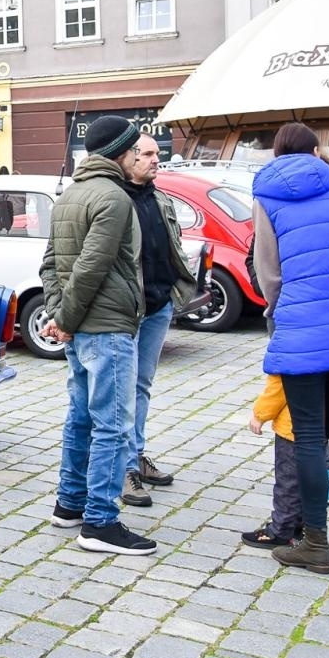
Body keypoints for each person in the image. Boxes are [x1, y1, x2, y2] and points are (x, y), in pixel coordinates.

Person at [251, 121, 329, 573]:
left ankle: (314, 543)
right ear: (316, 150)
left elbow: (267, 270)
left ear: (276, 153)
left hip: (303, 328)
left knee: (308, 434)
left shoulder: (266, 195)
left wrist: (279, 308)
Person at [38, 115, 155, 555]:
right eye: (137, 149)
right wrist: (63, 319)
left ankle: (69, 505)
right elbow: (91, 267)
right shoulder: (114, 197)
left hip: (82, 327)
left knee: (81, 416)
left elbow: (50, 264)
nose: (142, 157)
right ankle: (100, 522)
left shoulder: (70, 195)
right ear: (121, 153)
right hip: (105, 328)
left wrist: (58, 313)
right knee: (111, 425)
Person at [119, 134, 198, 507]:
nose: (156, 160)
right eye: (148, 154)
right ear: (129, 158)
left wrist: (175, 289)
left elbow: (173, 247)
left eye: (157, 154)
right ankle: (122, 469)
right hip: (126, 310)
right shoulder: (116, 199)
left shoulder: (159, 198)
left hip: (159, 305)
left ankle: (136, 454)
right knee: (120, 391)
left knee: (142, 385)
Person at [242, 373, 329, 550]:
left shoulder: (287, 348)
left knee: (287, 482)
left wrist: (260, 415)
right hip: (320, 424)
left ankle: (281, 531)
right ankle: (300, 524)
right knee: (308, 479)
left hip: (292, 428)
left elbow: (278, 386)